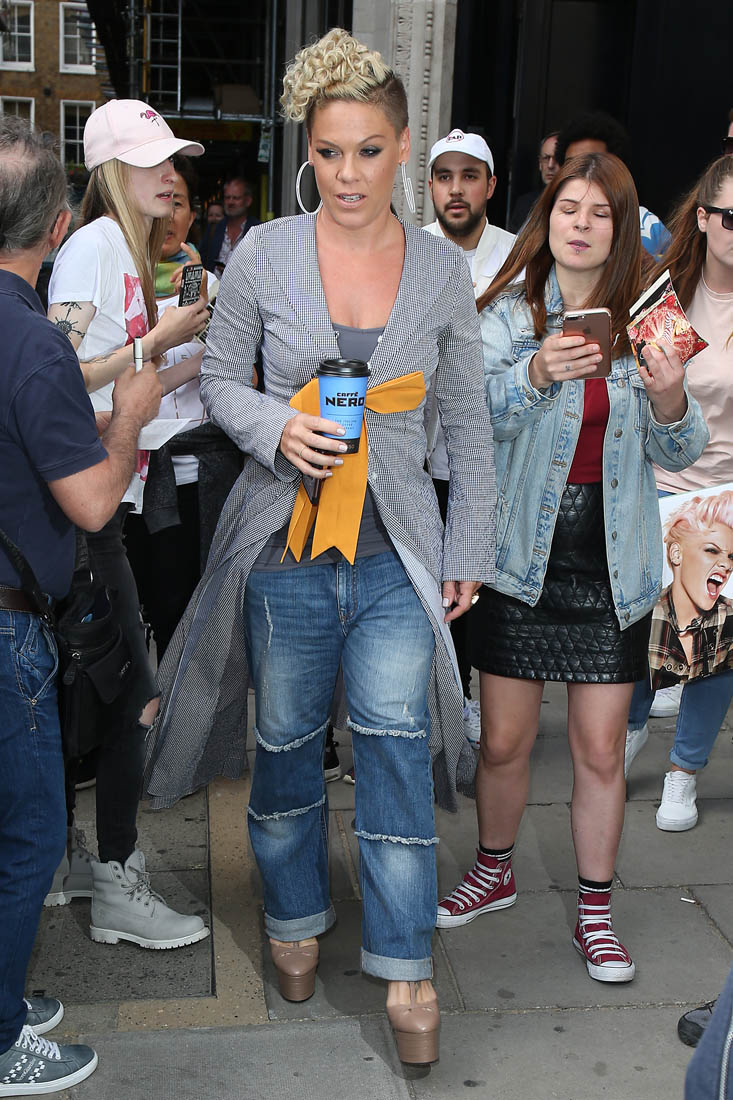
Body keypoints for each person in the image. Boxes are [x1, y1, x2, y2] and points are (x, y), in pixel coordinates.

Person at [145, 27, 496, 1066]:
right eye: (330, 151)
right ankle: (294, 912)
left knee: (393, 744)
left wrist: (467, 545)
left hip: (395, 552)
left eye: (369, 150)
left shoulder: (440, 271)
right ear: (309, 150)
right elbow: (220, 379)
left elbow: (467, 422)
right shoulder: (263, 252)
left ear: (403, 146)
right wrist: (275, 427)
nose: (348, 174)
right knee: (287, 743)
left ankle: (407, 960)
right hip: (283, 549)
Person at [436, 152, 708, 986]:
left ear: (619, 226)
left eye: (598, 212)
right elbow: (466, 417)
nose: (580, 224)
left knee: (597, 751)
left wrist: (669, 398)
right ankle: (493, 869)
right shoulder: (507, 312)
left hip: (611, 562)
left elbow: (681, 448)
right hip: (519, 558)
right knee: (503, 742)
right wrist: (533, 373)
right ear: (544, 218)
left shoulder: (649, 309)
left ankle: (595, 913)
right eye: (567, 209)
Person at [0, 115, 161, 1094]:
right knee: (26, 837)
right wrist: (131, 417)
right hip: (9, 623)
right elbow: (96, 500)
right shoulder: (32, 342)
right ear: (57, 228)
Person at [45, 100, 211, 949]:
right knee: (132, 696)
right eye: (153, 159)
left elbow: (124, 381)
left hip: (109, 499)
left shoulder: (122, 247)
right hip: (88, 509)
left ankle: (75, 860)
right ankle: (113, 875)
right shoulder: (94, 246)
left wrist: (195, 349)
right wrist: (161, 341)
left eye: (173, 159)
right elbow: (62, 372)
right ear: (113, 169)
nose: (170, 174)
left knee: (99, 691)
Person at [624, 155, 733, 831]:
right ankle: (629, 729)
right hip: (659, 485)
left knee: (717, 646)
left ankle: (683, 771)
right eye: (732, 217)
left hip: (729, 497)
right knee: (642, 636)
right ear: (703, 218)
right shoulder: (664, 295)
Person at [124, 154, 243, 661]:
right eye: (163, 202)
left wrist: (206, 310)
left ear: (193, 215)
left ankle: (182, 703)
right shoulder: (122, 283)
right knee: (142, 606)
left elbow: (244, 375)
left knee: (192, 612)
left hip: (198, 475)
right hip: (133, 473)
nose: (169, 215)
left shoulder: (216, 288)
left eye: (180, 204)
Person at [423, 128, 515, 743]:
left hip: (499, 453)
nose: (456, 190)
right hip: (427, 456)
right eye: (444, 177)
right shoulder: (408, 250)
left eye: (468, 177)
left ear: (490, 185)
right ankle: (448, 701)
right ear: (431, 186)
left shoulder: (519, 255)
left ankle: (480, 701)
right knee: (440, 586)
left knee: (490, 589)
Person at [555, 111, 671, 259]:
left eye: (592, 162)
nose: (582, 171)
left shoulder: (644, 223)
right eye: (571, 164)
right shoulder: (546, 217)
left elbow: (675, 269)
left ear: (616, 168)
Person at [199, 174, 259, 275]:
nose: (230, 202)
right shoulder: (214, 228)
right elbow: (202, 261)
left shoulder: (257, 231)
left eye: (236, 198)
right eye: (227, 198)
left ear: (248, 201)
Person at [509, 131, 559, 233]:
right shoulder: (524, 204)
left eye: (557, 158)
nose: (550, 165)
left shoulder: (577, 204)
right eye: (546, 158)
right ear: (540, 163)